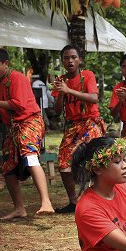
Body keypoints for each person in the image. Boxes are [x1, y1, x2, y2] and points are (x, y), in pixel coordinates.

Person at [0, 48, 54, 219]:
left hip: (30, 122)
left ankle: (46, 202)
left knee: (29, 155)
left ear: (6, 64)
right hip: (13, 128)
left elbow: (19, 105)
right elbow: (3, 116)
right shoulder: (0, 84)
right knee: (7, 167)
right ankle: (19, 208)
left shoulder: (17, 78)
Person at [52, 45, 106, 213]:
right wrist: (61, 92)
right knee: (63, 162)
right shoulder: (61, 80)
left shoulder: (87, 75)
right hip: (73, 126)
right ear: (62, 61)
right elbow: (57, 110)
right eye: (66, 58)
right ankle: (73, 201)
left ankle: (97, 200)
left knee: (95, 160)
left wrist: (69, 90)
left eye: (73, 57)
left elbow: (93, 98)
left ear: (80, 60)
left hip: (90, 123)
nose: (70, 60)